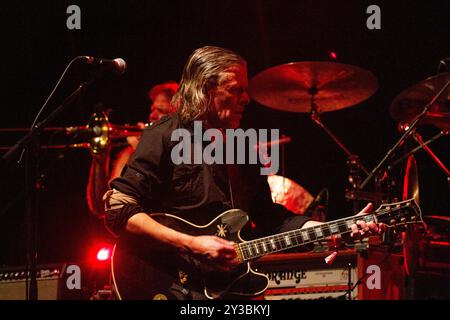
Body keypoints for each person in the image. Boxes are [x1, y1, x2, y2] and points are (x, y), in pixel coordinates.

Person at [103, 46, 383, 299]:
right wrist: (192, 244)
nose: (247, 99)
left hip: (227, 289)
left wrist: (329, 230)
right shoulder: (163, 136)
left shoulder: (243, 147)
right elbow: (119, 211)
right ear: (206, 88)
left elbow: (269, 218)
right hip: (166, 286)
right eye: (236, 90)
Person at [86, 81, 179, 218]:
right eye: (152, 109)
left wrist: (144, 149)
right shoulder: (129, 153)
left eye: (161, 111)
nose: (152, 115)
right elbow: (102, 208)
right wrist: (100, 160)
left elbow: (168, 194)